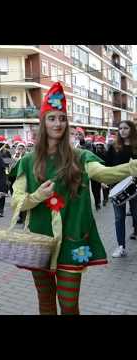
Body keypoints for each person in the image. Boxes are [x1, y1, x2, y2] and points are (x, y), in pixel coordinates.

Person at [10, 82, 137, 315]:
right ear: (43, 122)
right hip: (40, 242)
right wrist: (38, 195)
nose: (58, 123)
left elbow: (103, 174)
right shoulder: (27, 161)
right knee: (46, 303)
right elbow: (17, 202)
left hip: (73, 241)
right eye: (52, 118)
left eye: (62, 118)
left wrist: (132, 167)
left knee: (69, 306)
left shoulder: (80, 156)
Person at [106, 120, 137, 258]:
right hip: (117, 188)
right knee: (119, 218)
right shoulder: (114, 146)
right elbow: (107, 165)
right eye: (120, 128)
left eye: (126, 128)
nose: (122, 131)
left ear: (132, 129)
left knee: (136, 215)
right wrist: (104, 180)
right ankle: (121, 246)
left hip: (134, 187)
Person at [91, 136, 108, 211]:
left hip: (104, 173)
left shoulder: (106, 154)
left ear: (103, 146)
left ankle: (105, 199)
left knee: (105, 188)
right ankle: (97, 203)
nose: (98, 147)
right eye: (97, 145)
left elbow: (108, 163)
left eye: (100, 145)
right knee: (95, 190)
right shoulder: (92, 153)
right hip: (94, 174)